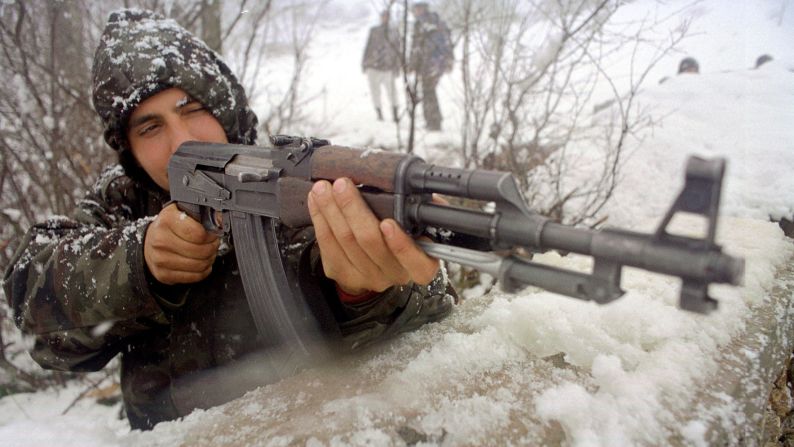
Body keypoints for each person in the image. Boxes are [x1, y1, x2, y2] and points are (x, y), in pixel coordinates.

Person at [2, 9, 454, 431]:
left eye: (191, 110)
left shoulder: (285, 182)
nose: (181, 141)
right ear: (129, 148)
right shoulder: (123, 200)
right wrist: (139, 263)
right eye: (150, 127)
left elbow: (433, 308)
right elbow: (33, 301)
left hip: (303, 430)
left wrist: (365, 292)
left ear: (224, 108)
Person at [408, 2, 454, 131]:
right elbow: (416, 47)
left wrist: (447, 60)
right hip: (428, 63)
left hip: (432, 63)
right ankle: (432, 121)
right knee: (428, 91)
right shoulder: (425, 23)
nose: (415, 11)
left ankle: (434, 122)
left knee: (428, 91)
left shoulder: (430, 23)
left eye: (417, 8)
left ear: (423, 8)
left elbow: (444, 42)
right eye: (415, 9)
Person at [362, 10, 401, 122]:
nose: (385, 18)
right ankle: (379, 113)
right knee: (375, 92)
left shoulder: (394, 32)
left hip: (388, 67)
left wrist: (397, 66)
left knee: (392, 92)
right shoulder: (374, 31)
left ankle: (395, 114)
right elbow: (368, 47)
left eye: (387, 16)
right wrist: (364, 63)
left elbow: (397, 50)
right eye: (383, 16)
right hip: (373, 66)